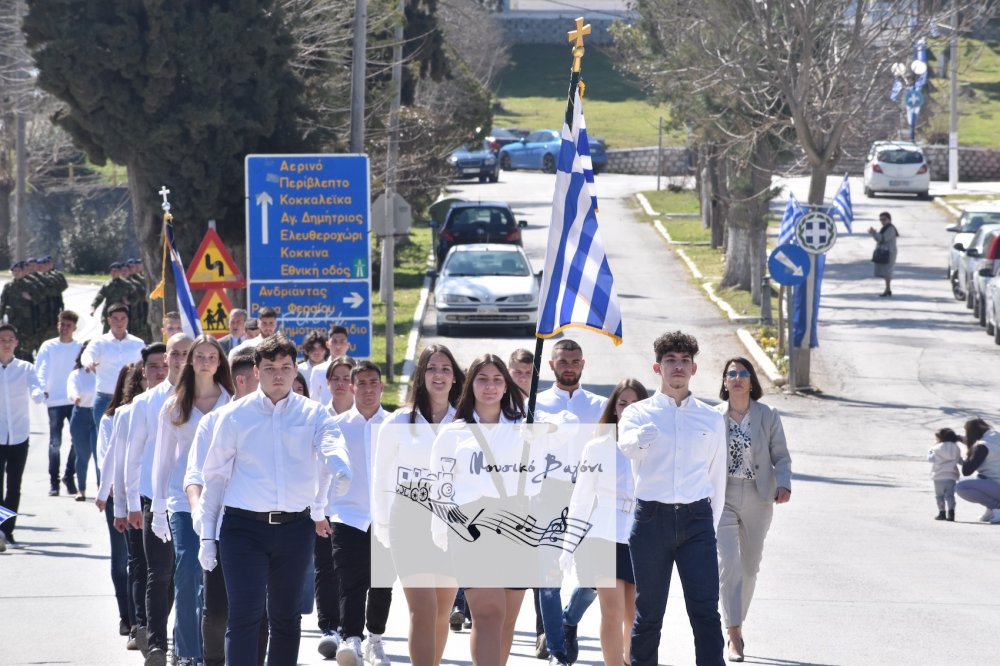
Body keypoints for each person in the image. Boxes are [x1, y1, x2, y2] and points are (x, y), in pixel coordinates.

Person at [197, 334, 352, 666]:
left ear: (296, 369)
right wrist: (208, 537)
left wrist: (340, 468)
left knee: (285, 617)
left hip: (294, 529)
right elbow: (214, 478)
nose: (278, 375)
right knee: (244, 615)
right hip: (243, 529)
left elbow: (331, 444)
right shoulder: (235, 416)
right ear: (256, 371)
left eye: (285, 367)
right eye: (269, 368)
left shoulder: (313, 414)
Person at [618, 331, 727, 666]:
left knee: (705, 611)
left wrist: (707, 521)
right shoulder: (637, 414)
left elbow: (716, 478)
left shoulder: (710, 417)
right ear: (657, 367)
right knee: (648, 613)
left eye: (684, 361)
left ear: (694, 368)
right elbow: (628, 448)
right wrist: (640, 439)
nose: (677, 367)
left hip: (697, 523)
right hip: (651, 521)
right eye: (670, 361)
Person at [430, 354, 529, 666]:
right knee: (488, 614)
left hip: (517, 528)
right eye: (483, 379)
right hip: (472, 528)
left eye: (497, 379)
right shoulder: (452, 433)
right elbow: (440, 489)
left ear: (506, 386)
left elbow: (542, 483)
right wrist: (442, 535)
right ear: (470, 384)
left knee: (506, 622)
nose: (490, 386)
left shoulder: (524, 428)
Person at [373, 345, 465, 666]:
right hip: (408, 518)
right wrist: (382, 525)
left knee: (441, 612)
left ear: (454, 378)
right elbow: (380, 477)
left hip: (451, 520)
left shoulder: (466, 423)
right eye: (431, 368)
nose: (438, 375)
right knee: (422, 610)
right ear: (421, 375)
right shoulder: (398, 421)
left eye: (444, 369)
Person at [150, 335, 234, 666]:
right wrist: (158, 507)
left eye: (212, 356)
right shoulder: (174, 405)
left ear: (219, 362)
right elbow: (162, 460)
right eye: (199, 356)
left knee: (213, 577)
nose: (205, 361)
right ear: (191, 362)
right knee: (186, 570)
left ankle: (213, 649)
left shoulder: (231, 403)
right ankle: (186, 651)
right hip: (182, 502)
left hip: (222, 502)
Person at [183, 349, 267, 666]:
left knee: (258, 610)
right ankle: (213, 661)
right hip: (219, 528)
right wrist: (198, 513)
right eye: (261, 379)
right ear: (242, 379)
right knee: (217, 609)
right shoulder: (215, 422)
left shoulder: (272, 422)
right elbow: (194, 476)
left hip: (261, 531)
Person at [713, 357, 792, 662]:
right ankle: (733, 635)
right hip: (725, 496)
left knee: (749, 568)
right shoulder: (714, 416)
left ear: (751, 381)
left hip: (760, 496)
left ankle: (737, 622)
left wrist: (783, 484)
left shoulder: (768, 415)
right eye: (731, 373)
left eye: (743, 373)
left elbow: (781, 456)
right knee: (729, 563)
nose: (737, 378)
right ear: (724, 381)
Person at [564, 378, 647, 666]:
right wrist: (568, 545)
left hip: (639, 537)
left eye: (634, 404)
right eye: (622, 403)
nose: (627, 409)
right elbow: (581, 499)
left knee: (634, 615)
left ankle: (627, 661)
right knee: (611, 611)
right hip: (602, 534)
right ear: (614, 408)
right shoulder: (596, 447)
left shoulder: (654, 447)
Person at [534, 339, 606, 665]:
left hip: (590, 497)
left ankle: (568, 620)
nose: (569, 366)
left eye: (575, 361)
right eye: (563, 360)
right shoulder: (533, 406)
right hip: (549, 494)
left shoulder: (601, 406)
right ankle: (557, 650)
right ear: (551, 364)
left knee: (592, 579)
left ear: (583, 364)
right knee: (549, 579)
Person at [124, 333, 193, 665]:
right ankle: (156, 644)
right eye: (175, 353)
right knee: (160, 574)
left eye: (186, 353)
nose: (180, 359)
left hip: (194, 501)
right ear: (166, 358)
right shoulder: (146, 402)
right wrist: (132, 504)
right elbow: (133, 455)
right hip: (156, 500)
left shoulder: (207, 399)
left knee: (190, 575)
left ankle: (185, 644)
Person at [322, 360, 393, 666]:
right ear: (351, 388)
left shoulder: (395, 425)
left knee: (382, 582)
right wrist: (320, 511)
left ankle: (375, 640)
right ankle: (351, 638)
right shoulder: (336, 427)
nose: (367, 389)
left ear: (381, 386)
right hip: (346, 516)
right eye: (361, 383)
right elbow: (322, 473)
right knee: (350, 580)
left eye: (373, 382)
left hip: (387, 517)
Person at [114, 348, 167, 656]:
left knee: (169, 573)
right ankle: (142, 626)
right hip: (144, 500)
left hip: (178, 498)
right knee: (144, 566)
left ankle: (157, 626)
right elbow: (123, 461)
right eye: (154, 366)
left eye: (166, 364)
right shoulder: (134, 408)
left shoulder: (190, 401)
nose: (161, 371)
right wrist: (123, 505)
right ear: (144, 372)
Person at [94, 362, 146, 643]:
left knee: (147, 564)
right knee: (122, 560)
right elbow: (107, 457)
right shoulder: (112, 418)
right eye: (137, 380)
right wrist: (110, 490)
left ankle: (143, 621)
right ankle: (127, 617)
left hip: (147, 498)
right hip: (119, 497)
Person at [312, 355, 356, 659]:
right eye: (335, 378)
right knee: (325, 567)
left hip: (354, 508)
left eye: (346, 378)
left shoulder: (361, 419)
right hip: (323, 505)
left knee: (351, 571)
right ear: (327, 383)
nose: (341, 383)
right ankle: (329, 626)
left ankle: (352, 627)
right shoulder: (316, 417)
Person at [0, 324, 45, 552]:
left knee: (14, 486)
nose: (6, 343)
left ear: (16, 342)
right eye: (2, 340)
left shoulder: (25, 368)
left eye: (10, 339)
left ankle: (7, 530)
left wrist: (39, 395)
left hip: (19, 435)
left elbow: (35, 387)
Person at [36, 310, 83, 497]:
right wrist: (42, 388)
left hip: (74, 399)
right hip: (54, 399)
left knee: (77, 441)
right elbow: (41, 368)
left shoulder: (80, 347)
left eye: (68, 326)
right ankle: (53, 481)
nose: (64, 328)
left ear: (74, 328)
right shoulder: (48, 346)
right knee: (55, 442)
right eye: (62, 324)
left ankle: (69, 475)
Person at [81, 302, 146, 431]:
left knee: (127, 437)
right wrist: (89, 363)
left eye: (123, 318)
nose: (119, 322)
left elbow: (145, 366)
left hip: (129, 398)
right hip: (105, 398)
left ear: (128, 320)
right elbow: (88, 354)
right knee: (103, 437)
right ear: (108, 320)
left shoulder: (138, 343)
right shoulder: (99, 342)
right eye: (115, 319)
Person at [67, 341, 98, 501]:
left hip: (98, 415)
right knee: (83, 455)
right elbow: (72, 389)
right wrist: (75, 397)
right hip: (80, 415)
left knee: (100, 454)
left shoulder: (102, 373)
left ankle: (103, 490)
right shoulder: (76, 374)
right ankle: (82, 490)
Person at [955, 418, 1000, 524]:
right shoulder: (995, 436)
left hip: (997, 484)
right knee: (980, 478)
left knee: (961, 486)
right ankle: (992, 509)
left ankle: (996, 507)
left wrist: (963, 457)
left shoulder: (982, 447)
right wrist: (960, 438)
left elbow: (967, 470)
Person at [309, 324, 353, 403]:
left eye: (342, 342)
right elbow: (313, 400)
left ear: (348, 345)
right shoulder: (318, 370)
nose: (338, 346)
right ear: (327, 344)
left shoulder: (355, 368)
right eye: (334, 341)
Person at [928, 428, 962, 522]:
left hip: (938, 476)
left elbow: (930, 459)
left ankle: (941, 512)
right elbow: (960, 460)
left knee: (939, 496)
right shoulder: (956, 448)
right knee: (950, 496)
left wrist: (931, 448)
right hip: (951, 476)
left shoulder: (936, 448)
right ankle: (951, 513)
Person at [91, 262, 134, 332]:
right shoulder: (107, 285)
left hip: (122, 314)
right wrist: (93, 308)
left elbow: (136, 297)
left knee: (122, 333)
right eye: (112, 271)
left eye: (115, 271)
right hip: (109, 314)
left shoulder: (127, 285)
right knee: (106, 334)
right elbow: (99, 297)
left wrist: (129, 301)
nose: (113, 273)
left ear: (120, 272)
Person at [868, 211, 899, 297]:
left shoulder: (891, 229)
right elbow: (879, 239)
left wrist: (874, 233)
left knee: (888, 272)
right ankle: (888, 289)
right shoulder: (885, 228)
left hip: (889, 253)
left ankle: (887, 289)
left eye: (884, 219)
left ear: (889, 219)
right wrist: (874, 234)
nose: (882, 221)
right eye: (881, 219)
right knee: (885, 272)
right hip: (885, 252)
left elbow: (883, 239)